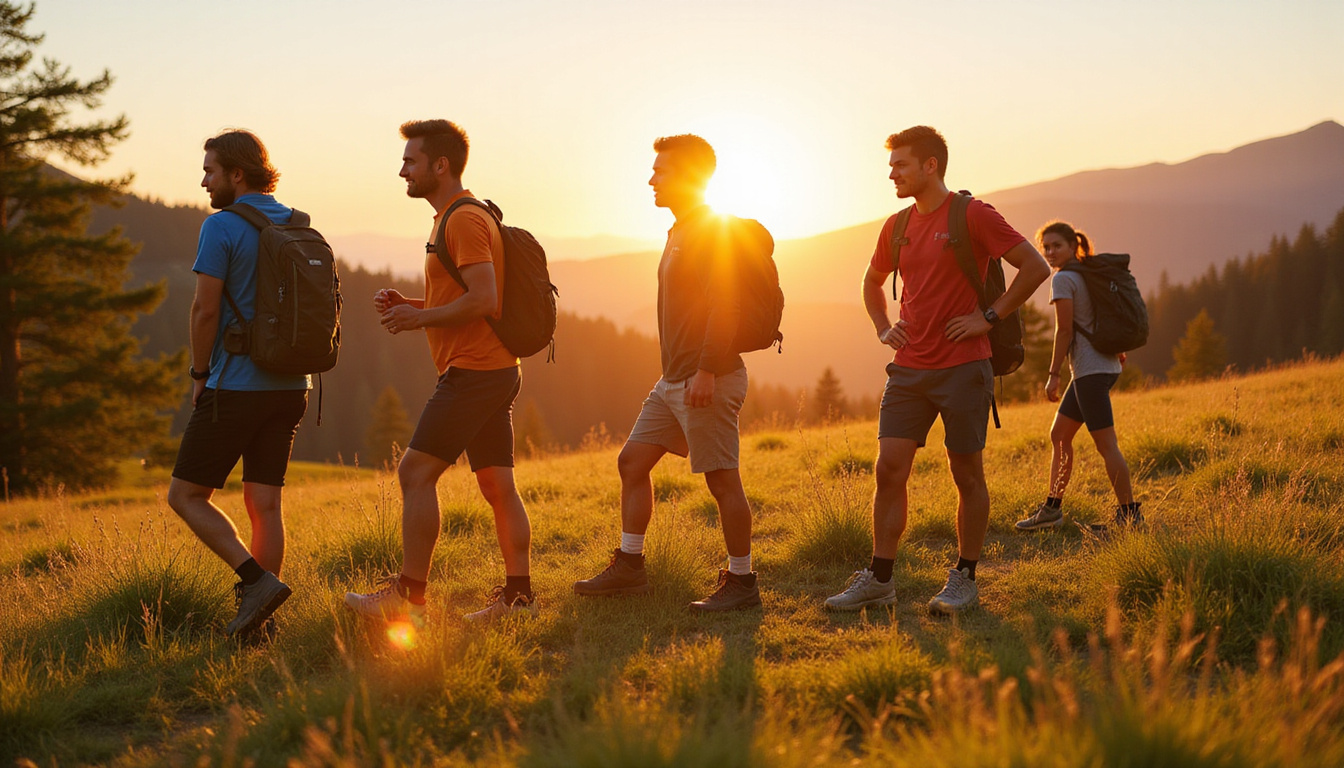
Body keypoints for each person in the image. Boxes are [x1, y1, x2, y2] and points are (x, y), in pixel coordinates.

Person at [826, 126, 1050, 615]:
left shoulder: (973, 215)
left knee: (966, 473)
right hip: (908, 370)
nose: (892, 174)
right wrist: (883, 326)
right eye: (891, 166)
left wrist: (988, 317)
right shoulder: (897, 225)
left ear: (931, 166)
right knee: (889, 469)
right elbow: (871, 280)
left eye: (901, 165)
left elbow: (1035, 267)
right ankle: (880, 579)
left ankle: (965, 577)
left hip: (964, 368)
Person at [343, 120, 534, 624]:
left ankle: (408, 596)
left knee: (414, 472)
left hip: (475, 371)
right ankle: (518, 599)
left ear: (440, 165)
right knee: (496, 484)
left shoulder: (462, 220)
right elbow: (465, 293)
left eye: (411, 161)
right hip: (492, 367)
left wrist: (419, 319)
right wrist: (414, 302)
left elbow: (486, 299)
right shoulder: (449, 216)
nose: (402, 169)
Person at [573, 134, 772, 612]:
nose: (651, 179)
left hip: (709, 377)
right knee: (632, 462)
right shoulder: (679, 230)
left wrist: (705, 370)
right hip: (672, 382)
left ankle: (743, 583)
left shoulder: (708, 231)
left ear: (688, 177)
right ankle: (630, 567)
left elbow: (727, 305)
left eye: (661, 171)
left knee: (723, 482)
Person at [167, 130, 310, 639]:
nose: (203, 181)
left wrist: (199, 374)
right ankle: (259, 621)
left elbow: (206, 308)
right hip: (293, 384)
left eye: (209, 171)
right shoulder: (295, 221)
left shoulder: (221, 226)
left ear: (236, 174)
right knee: (265, 503)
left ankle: (255, 584)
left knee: (184, 496)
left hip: (237, 385)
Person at [1015, 221, 1140, 532]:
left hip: (1090, 372)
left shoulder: (1064, 280)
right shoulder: (1087, 274)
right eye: (1046, 247)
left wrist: (1053, 374)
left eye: (1057, 245)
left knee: (1107, 445)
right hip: (1101, 367)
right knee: (1059, 435)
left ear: (1073, 246)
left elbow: (1065, 330)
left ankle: (1130, 518)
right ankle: (1052, 509)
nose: (1050, 252)